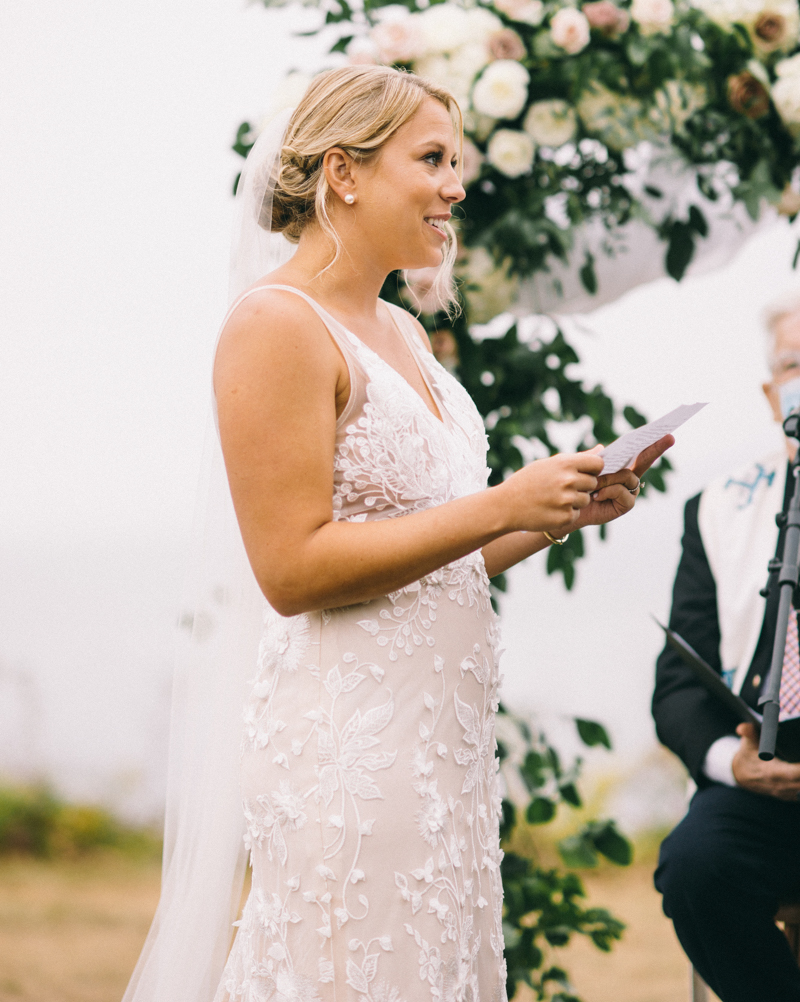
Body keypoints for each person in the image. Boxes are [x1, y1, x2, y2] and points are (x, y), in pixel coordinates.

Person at [125, 64, 671, 1002]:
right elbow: (294, 568)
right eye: (433, 160)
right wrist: (502, 502)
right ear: (344, 171)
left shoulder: (398, 330)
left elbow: (433, 560)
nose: (457, 187)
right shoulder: (276, 325)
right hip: (353, 754)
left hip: (444, 758)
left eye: (456, 162)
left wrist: (551, 514)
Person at [653, 296, 800, 1002]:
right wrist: (734, 765)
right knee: (694, 867)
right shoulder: (717, 508)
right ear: (773, 394)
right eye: (795, 364)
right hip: (767, 774)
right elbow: (678, 685)